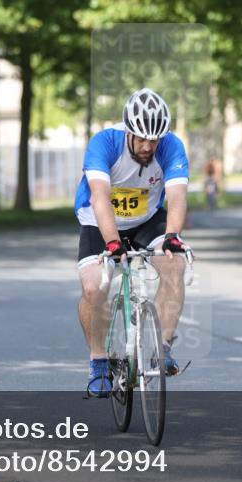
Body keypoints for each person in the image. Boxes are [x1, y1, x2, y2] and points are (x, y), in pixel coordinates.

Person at [74, 88, 192, 397]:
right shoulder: (104, 143)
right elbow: (100, 197)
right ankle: (99, 362)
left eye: (154, 140)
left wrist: (172, 237)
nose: (147, 146)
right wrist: (113, 243)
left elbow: (178, 197)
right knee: (93, 287)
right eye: (141, 138)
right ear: (128, 129)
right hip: (99, 221)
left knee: (173, 263)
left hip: (145, 219)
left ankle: (163, 349)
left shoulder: (171, 146)